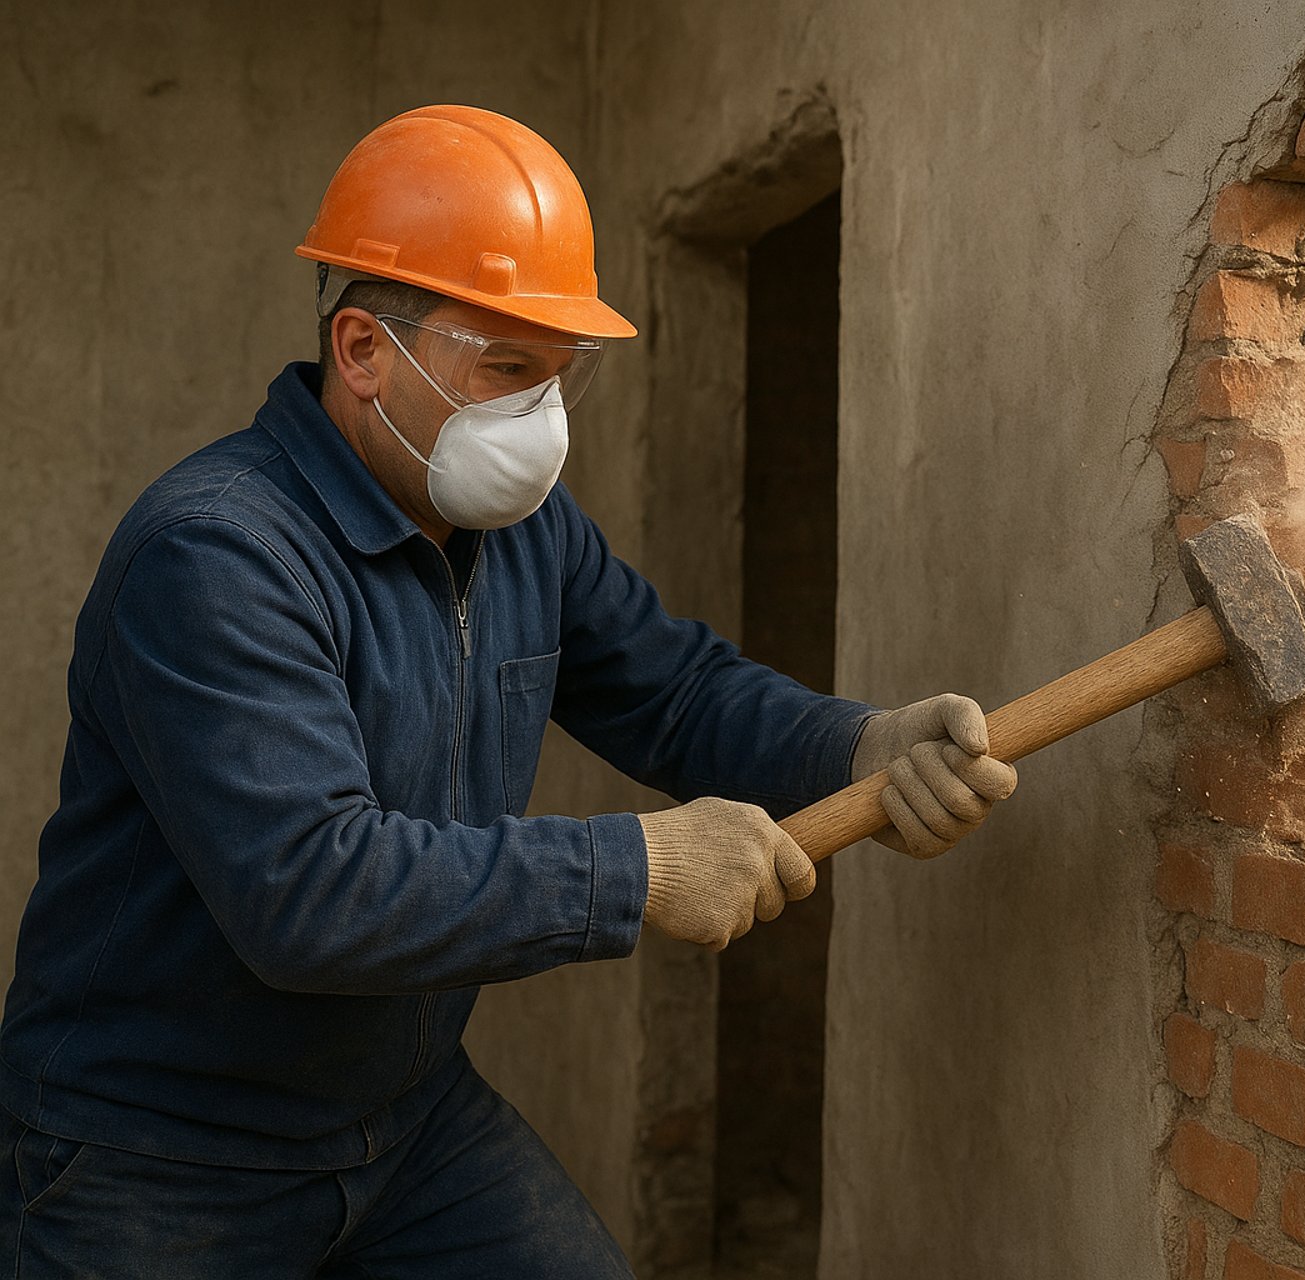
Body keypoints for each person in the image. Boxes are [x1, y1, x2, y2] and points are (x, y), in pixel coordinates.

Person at [0, 104, 1015, 1277]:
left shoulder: (523, 530)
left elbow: (674, 691)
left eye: (561, 375)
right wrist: (637, 869)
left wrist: (856, 746)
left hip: (405, 1124)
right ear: (364, 350)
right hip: (158, 1153)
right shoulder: (216, 558)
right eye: (508, 369)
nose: (542, 418)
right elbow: (310, 892)